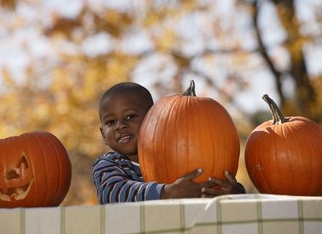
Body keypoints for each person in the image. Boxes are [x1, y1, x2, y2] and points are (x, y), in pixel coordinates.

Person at [91, 82, 245, 204]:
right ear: (103, 134)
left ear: (153, 119)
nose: (120, 126)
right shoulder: (108, 164)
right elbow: (112, 194)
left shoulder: (173, 154)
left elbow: (210, 184)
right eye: (111, 122)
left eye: (130, 116)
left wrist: (236, 194)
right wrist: (166, 192)